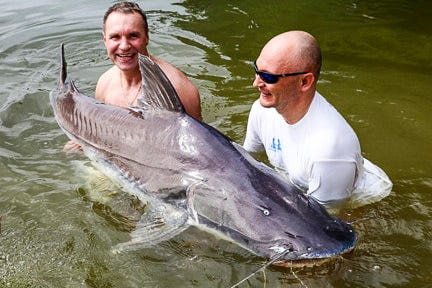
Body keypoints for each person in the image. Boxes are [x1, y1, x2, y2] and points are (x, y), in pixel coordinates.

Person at [243, 31, 392, 209]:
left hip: (360, 205)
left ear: (305, 82)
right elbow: (246, 162)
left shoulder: (329, 150)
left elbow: (325, 222)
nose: (256, 83)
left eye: (268, 77)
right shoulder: (261, 111)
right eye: (256, 70)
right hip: (312, 181)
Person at [65, 1, 202, 150]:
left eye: (133, 36)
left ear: (147, 37)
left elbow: (201, 147)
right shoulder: (105, 83)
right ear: (105, 40)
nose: (124, 46)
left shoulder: (178, 90)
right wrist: (84, 141)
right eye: (115, 37)